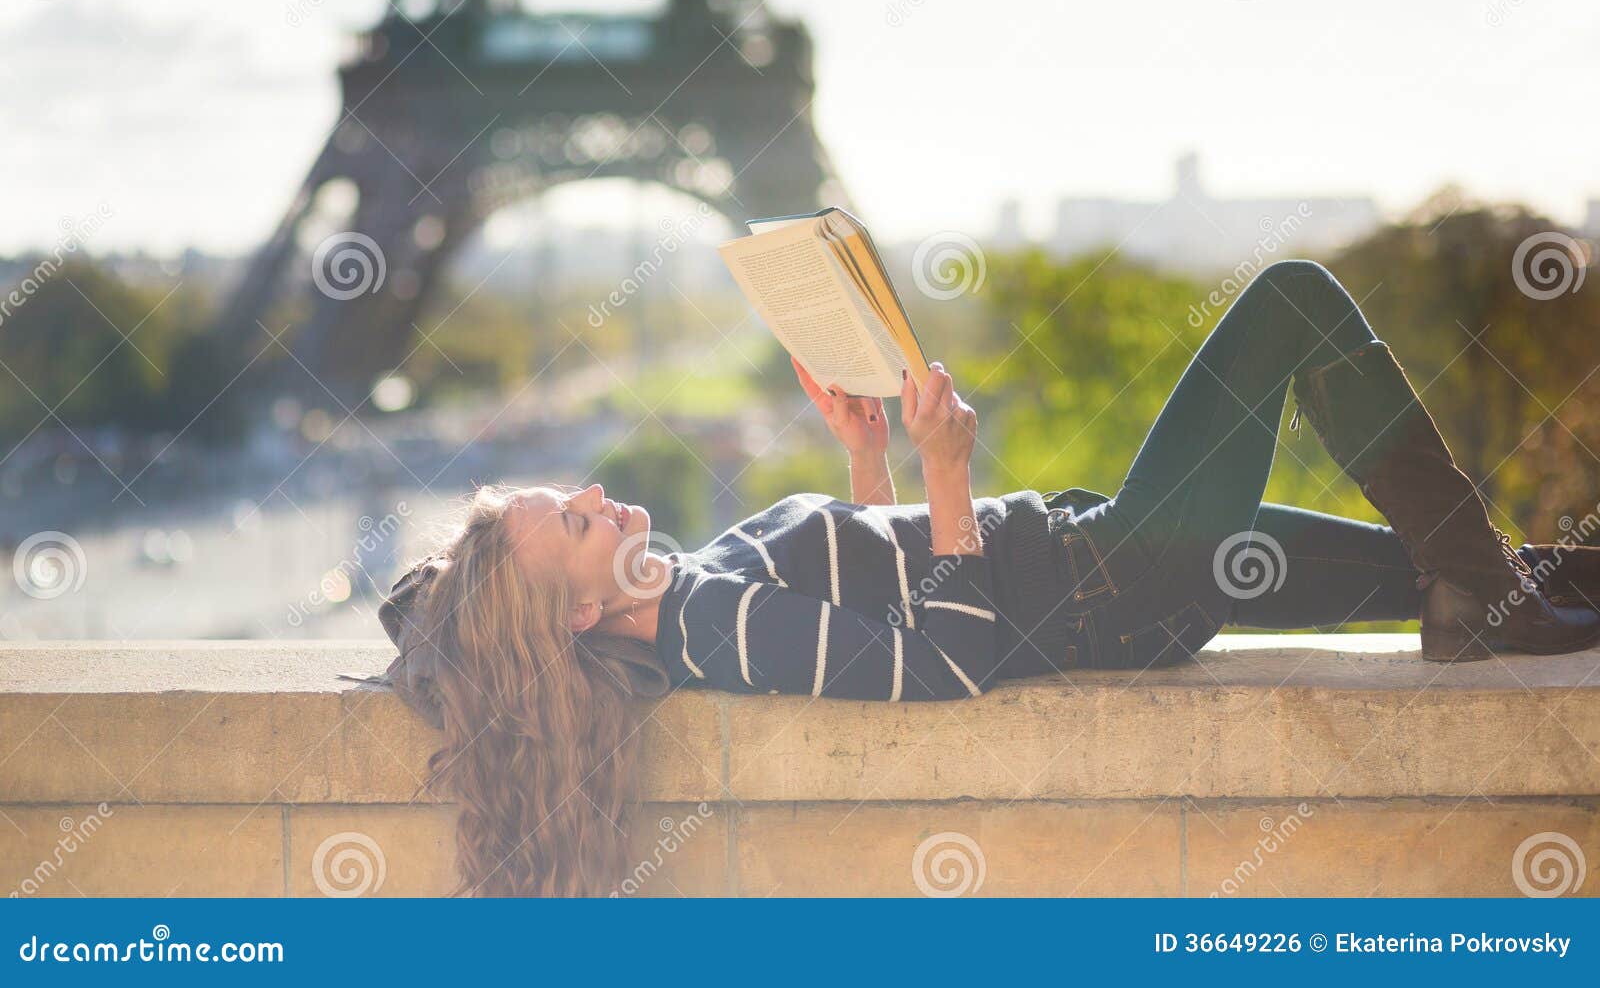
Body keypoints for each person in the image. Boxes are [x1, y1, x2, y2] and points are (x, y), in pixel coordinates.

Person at [377, 258, 1600, 896]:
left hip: (1117, 565)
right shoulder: (707, 620)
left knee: (1499, 570)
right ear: (586, 609)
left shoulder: (695, 600)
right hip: (1120, 573)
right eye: (575, 524)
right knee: (1290, 303)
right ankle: (1474, 608)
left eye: (576, 496)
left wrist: (866, 460)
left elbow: (877, 591)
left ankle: (1478, 604)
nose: (597, 498)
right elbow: (943, 660)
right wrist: (944, 464)